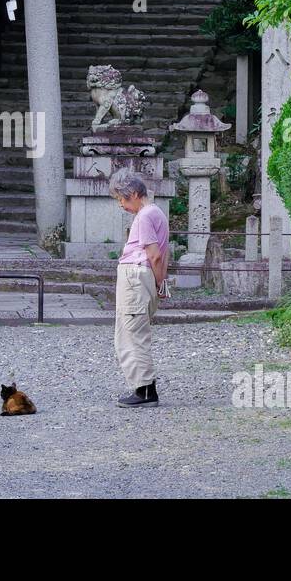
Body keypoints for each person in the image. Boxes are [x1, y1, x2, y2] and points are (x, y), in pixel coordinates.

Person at [108, 170, 169, 408]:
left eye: (122, 199)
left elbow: (153, 255)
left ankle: (145, 391)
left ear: (134, 193)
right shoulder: (157, 213)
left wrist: (156, 280)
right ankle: (143, 389)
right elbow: (163, 255)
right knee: (132, 333)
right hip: (142, 278)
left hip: (135, 276)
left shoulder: (144, 216)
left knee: (132, 334)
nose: (121, 205)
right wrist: (160, 282)